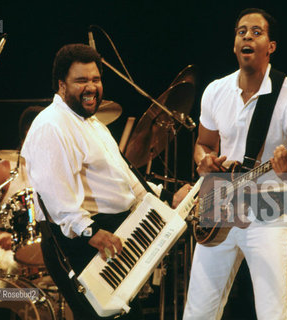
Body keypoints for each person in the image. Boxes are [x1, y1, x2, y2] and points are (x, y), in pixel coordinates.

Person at [21, 43, 190, 320]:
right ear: (61, 85)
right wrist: (91, 231)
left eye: (96, 79)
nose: (91, 87)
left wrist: (167, 197)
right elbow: (55, 195)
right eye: (81, 80)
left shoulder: (93, 124)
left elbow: (124, 178)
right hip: (79, 241)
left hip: (109, 232)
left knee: (122, 315)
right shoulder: (51, 124)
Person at [183, 8, 287, 320]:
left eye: (257, 32)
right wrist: (204, 160)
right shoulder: (216, 91)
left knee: (272, 313)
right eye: (241, 31)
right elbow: (203, 144)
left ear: (271, 46)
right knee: (198, 312)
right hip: (219, 210)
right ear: (234, 44)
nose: (247, 36)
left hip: (268, 213)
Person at [0, 106, 44, 273]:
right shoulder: (3, 170)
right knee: (11, 265)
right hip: (7, 249)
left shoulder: (60, 171)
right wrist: (1, 235)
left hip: (47, 247)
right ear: (24, 137)